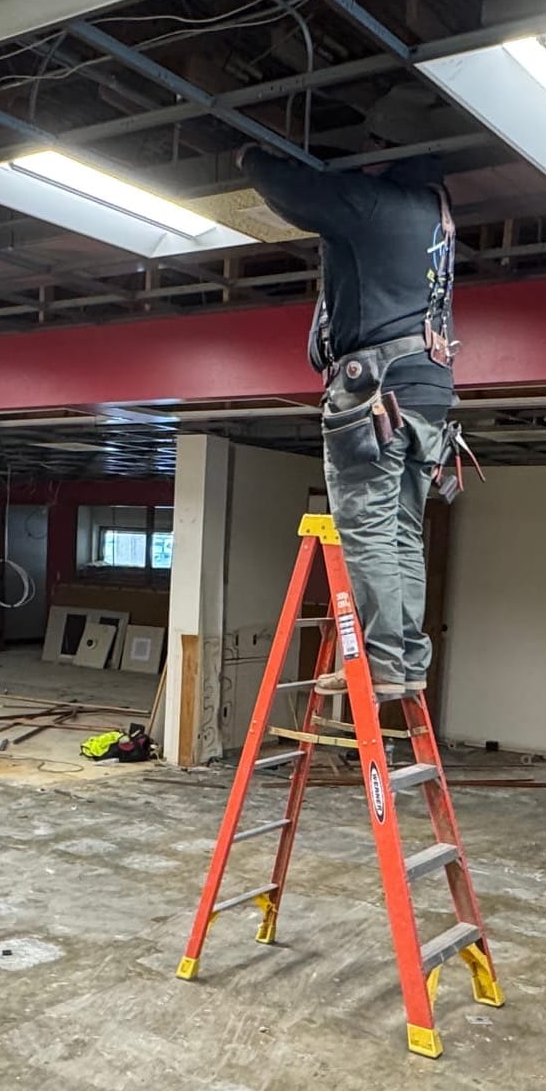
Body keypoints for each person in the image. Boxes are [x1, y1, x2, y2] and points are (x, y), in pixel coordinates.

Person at [236, 105, 460, 704]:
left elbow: (293, 191)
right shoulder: (437, 216)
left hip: (376, 391)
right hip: (428, 399)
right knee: (403, 534)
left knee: (365, 529)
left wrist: (247, 155)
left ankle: (384, 663)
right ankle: (408, 662)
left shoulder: (376, 206)